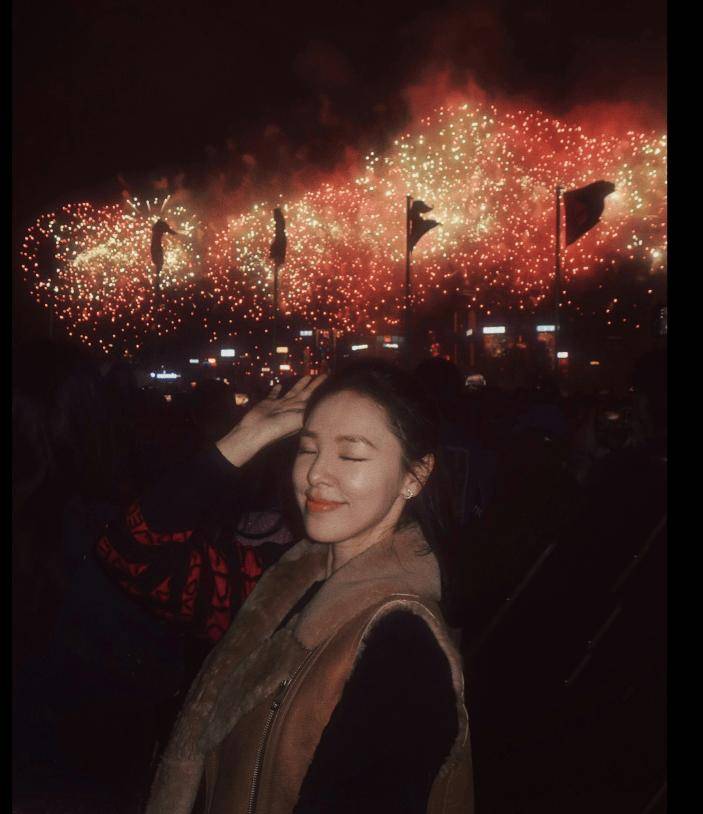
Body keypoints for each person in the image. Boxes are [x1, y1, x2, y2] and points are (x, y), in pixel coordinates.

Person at [145, 360, 473, 814]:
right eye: (307, 448)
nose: (316, 473)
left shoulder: (401, 642)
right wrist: (248, 436)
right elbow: (139, 556)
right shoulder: (281, 583)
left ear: (414, 476)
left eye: (350, 455)